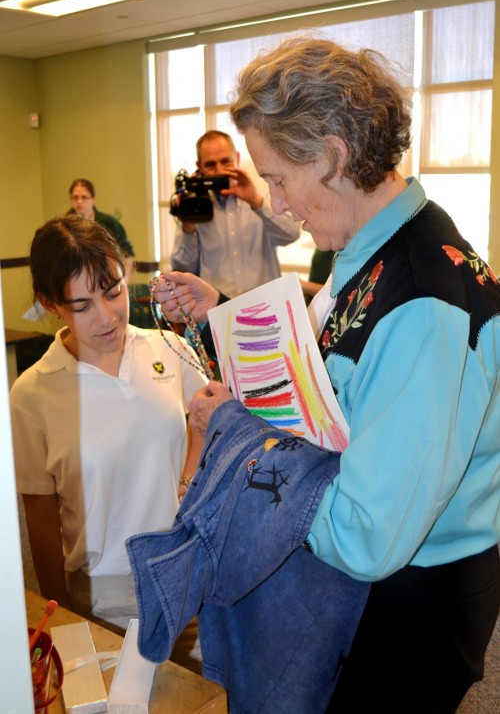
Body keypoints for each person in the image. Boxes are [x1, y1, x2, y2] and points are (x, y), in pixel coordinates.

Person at [152, 37, 500, 713]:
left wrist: (241, 440)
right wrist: (221, 315)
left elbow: (363, 535)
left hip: (410, 604)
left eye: (280, 178)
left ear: (335, 155)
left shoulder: (421, 298)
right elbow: (319, 369)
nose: (278, 205)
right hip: (388, 579)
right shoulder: (369, 251)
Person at [10, 215, 208, 647]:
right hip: (102, 599)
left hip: (189, 579)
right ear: (50, 304)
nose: (105, 317)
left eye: (113, 291)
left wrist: (185, 480)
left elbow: (204, 423)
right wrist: (60, 619)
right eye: (81, 306)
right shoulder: (32, 394)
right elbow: (40, 521)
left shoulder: (168, 348)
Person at [170, 130, 301, 298]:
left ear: (237, 158)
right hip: (217, 309)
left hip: (266, 304)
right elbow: (183, 268)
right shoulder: (195, 204)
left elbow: (291, 235)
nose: (219, 170)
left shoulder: (262, 196)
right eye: (211, 165)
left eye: (226, 161)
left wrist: (256, 202)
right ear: (200, 166)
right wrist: (188, 228)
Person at [67, 178, 135, 280]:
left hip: (106, 278)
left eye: (84, 197)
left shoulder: (109, 223)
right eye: (75, 197)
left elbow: (127, 254)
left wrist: (123, 280)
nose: (79, 201)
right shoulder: (65, 225)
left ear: (93, 199)